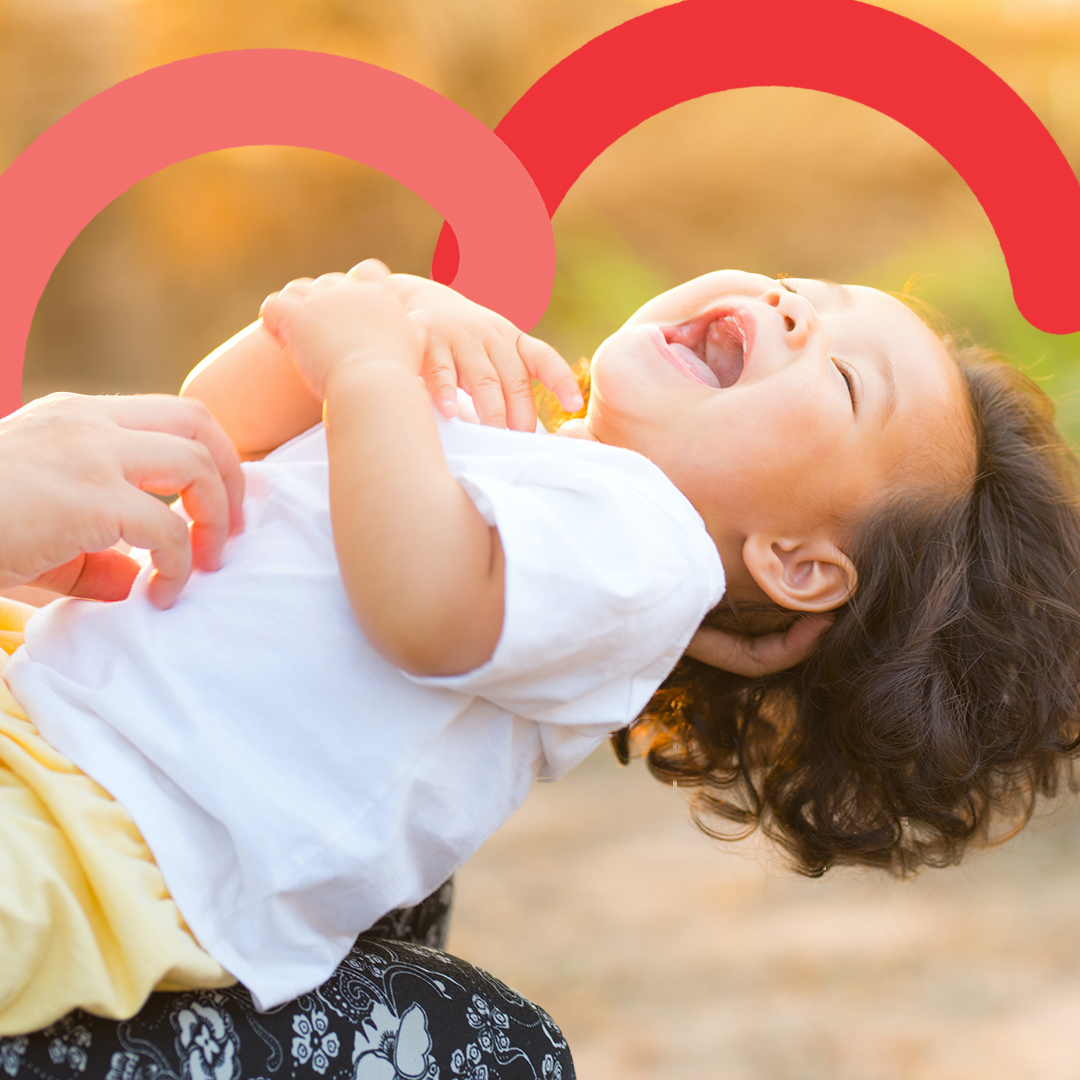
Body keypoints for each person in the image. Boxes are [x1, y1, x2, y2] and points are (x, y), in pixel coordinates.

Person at [4, 258, 1079, 1035]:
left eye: (846, 379)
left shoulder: (648, 550)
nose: (793, 310)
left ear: (796, 563)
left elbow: (423, 608)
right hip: (54, 714)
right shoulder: (517, 435)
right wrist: (359, 326)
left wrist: (374, 373)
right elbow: (219, 431)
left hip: (120, 831)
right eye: (814, 291)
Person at [0, 393, 576, 1078]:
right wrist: (365, 362)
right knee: (490, 1045)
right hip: (65, 832)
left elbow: (220, 424)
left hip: (60, 760)